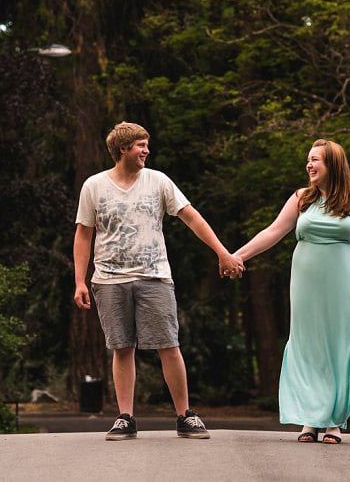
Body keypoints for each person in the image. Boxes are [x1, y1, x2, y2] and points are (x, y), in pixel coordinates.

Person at [73, 121, 243, 441]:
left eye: (146, 145)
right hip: (109, 280)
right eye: (140, 145)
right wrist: (80, 281)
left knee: (169, 344)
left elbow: (191, 216)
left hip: (154, 276)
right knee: (122, 348)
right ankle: (125, 417)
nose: (146, 150)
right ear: (123, 149)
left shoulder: (158, 181)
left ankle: (185, 415)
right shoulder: (94, 186)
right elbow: (83, 234)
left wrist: (222, 252)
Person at [227, 138, 350, 444]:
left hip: (343, 283)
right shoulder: (301, 199)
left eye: (316, 160)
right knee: (306, 345)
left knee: (337, 346)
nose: (309, 165)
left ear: (332, 164)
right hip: (306, 283)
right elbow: (273, 232)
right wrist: (237, 255)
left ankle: (333, 422)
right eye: (308, 159)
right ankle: (310, 419)